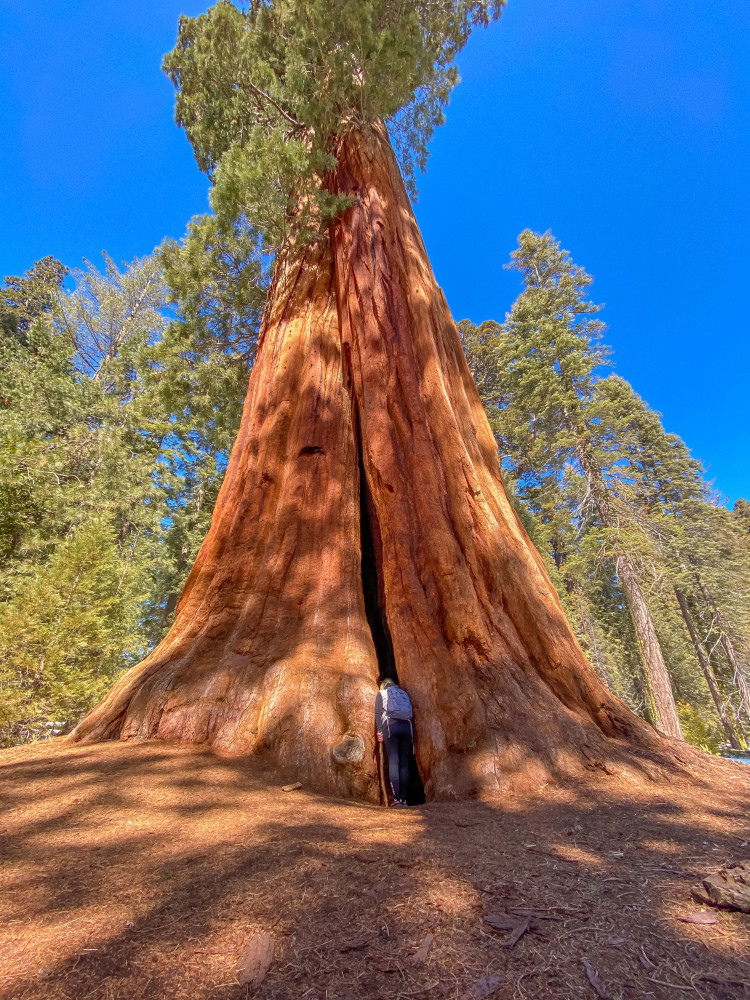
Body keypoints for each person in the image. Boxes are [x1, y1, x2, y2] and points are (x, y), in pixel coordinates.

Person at [375, 678, 413, 807]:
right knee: (404, 762)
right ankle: (404, 799)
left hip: (391, 726)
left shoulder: (382, 694)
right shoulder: (403, 693)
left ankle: (396, 798)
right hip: (407, 727)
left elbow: (377, 713)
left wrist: (379, 731)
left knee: (393, 760)